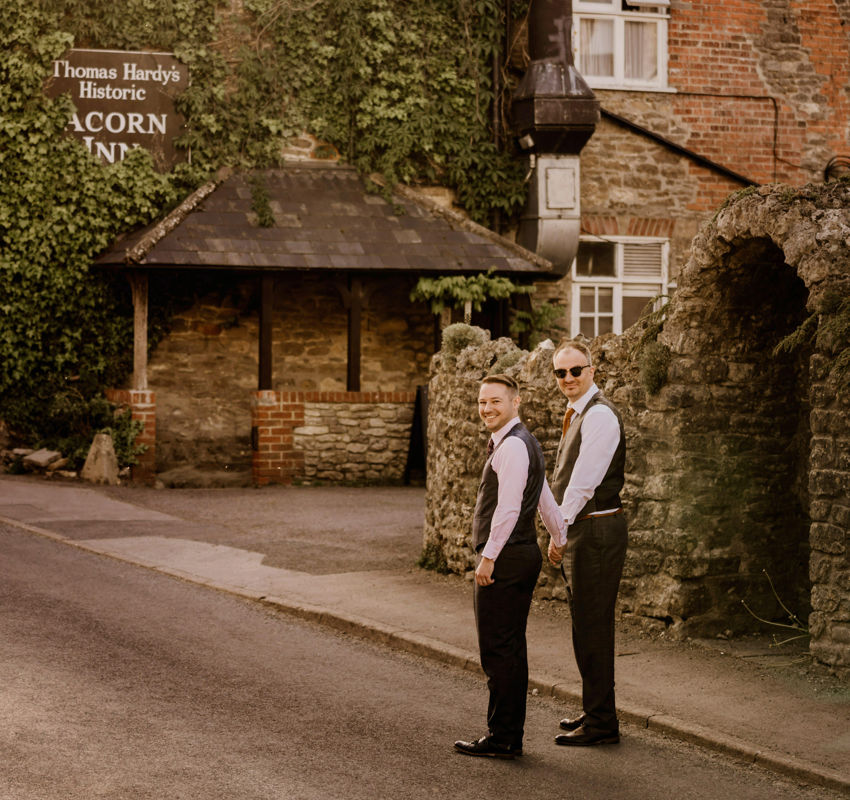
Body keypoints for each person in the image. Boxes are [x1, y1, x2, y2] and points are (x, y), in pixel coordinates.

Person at [454, 374, 566, 760]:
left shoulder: (513, 447)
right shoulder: (524, 443)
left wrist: (489, 557)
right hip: (521, 554)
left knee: (498, 649)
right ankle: (508, 735)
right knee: (511, 647)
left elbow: (509, 507)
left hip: (507, 557)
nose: (486, 408)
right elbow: (544, 495)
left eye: (495, 402)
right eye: (482, 402)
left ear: (516, 402)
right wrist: (559, 536)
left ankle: (502, 737)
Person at [547, 340, 628, 747]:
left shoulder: (599, 417)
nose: (568, 379)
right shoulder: (578, 413)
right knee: (585, 625)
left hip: (596, 531)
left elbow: (583, 482)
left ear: (592, 371)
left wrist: (558, 530)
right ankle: (596, 708)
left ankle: (601, 724)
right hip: (584, 531)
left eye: (575, 371)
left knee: (593, 627)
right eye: (560, 373)